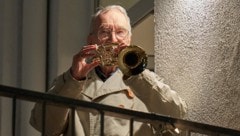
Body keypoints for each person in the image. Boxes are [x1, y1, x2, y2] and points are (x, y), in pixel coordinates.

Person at [30, 5, 187, 136]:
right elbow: (45, 126)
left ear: (129, 39)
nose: (113, 39)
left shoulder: (144, 81)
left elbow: (177, 114)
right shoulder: (71, 81)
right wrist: (73, 78)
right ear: (91, 40)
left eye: (120, 32)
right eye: (104, 32)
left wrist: (136, 73)